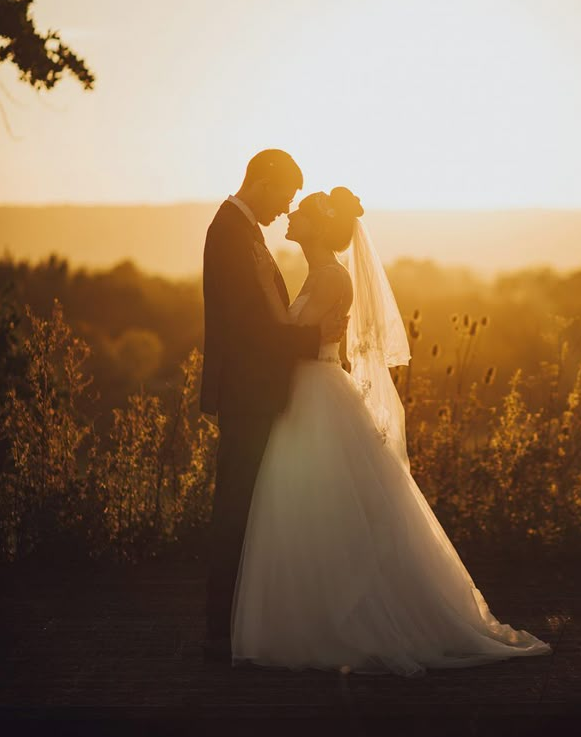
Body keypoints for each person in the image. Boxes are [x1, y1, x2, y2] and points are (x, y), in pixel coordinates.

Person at [230, 186, 552, 677]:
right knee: (307, 509)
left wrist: (260, 298)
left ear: (319, 226)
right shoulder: (320, 275)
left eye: (300, 212)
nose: (290, 216)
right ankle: (314, 617)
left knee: (327, 510)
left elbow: (290, 340)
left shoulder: (332, 277)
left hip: (317, 394)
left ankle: (351, 622)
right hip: (307, 396)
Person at [200, 150, 347, 660]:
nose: (287, 208)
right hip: (247, 393)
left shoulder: (244, 232)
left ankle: (240, 624)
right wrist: (311, 343)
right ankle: (224, 631)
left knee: (253, 509)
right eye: (285, 194)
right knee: (237, 507)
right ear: (262, 181)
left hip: (261, 392)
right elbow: (247, 326)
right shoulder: (229, 233)